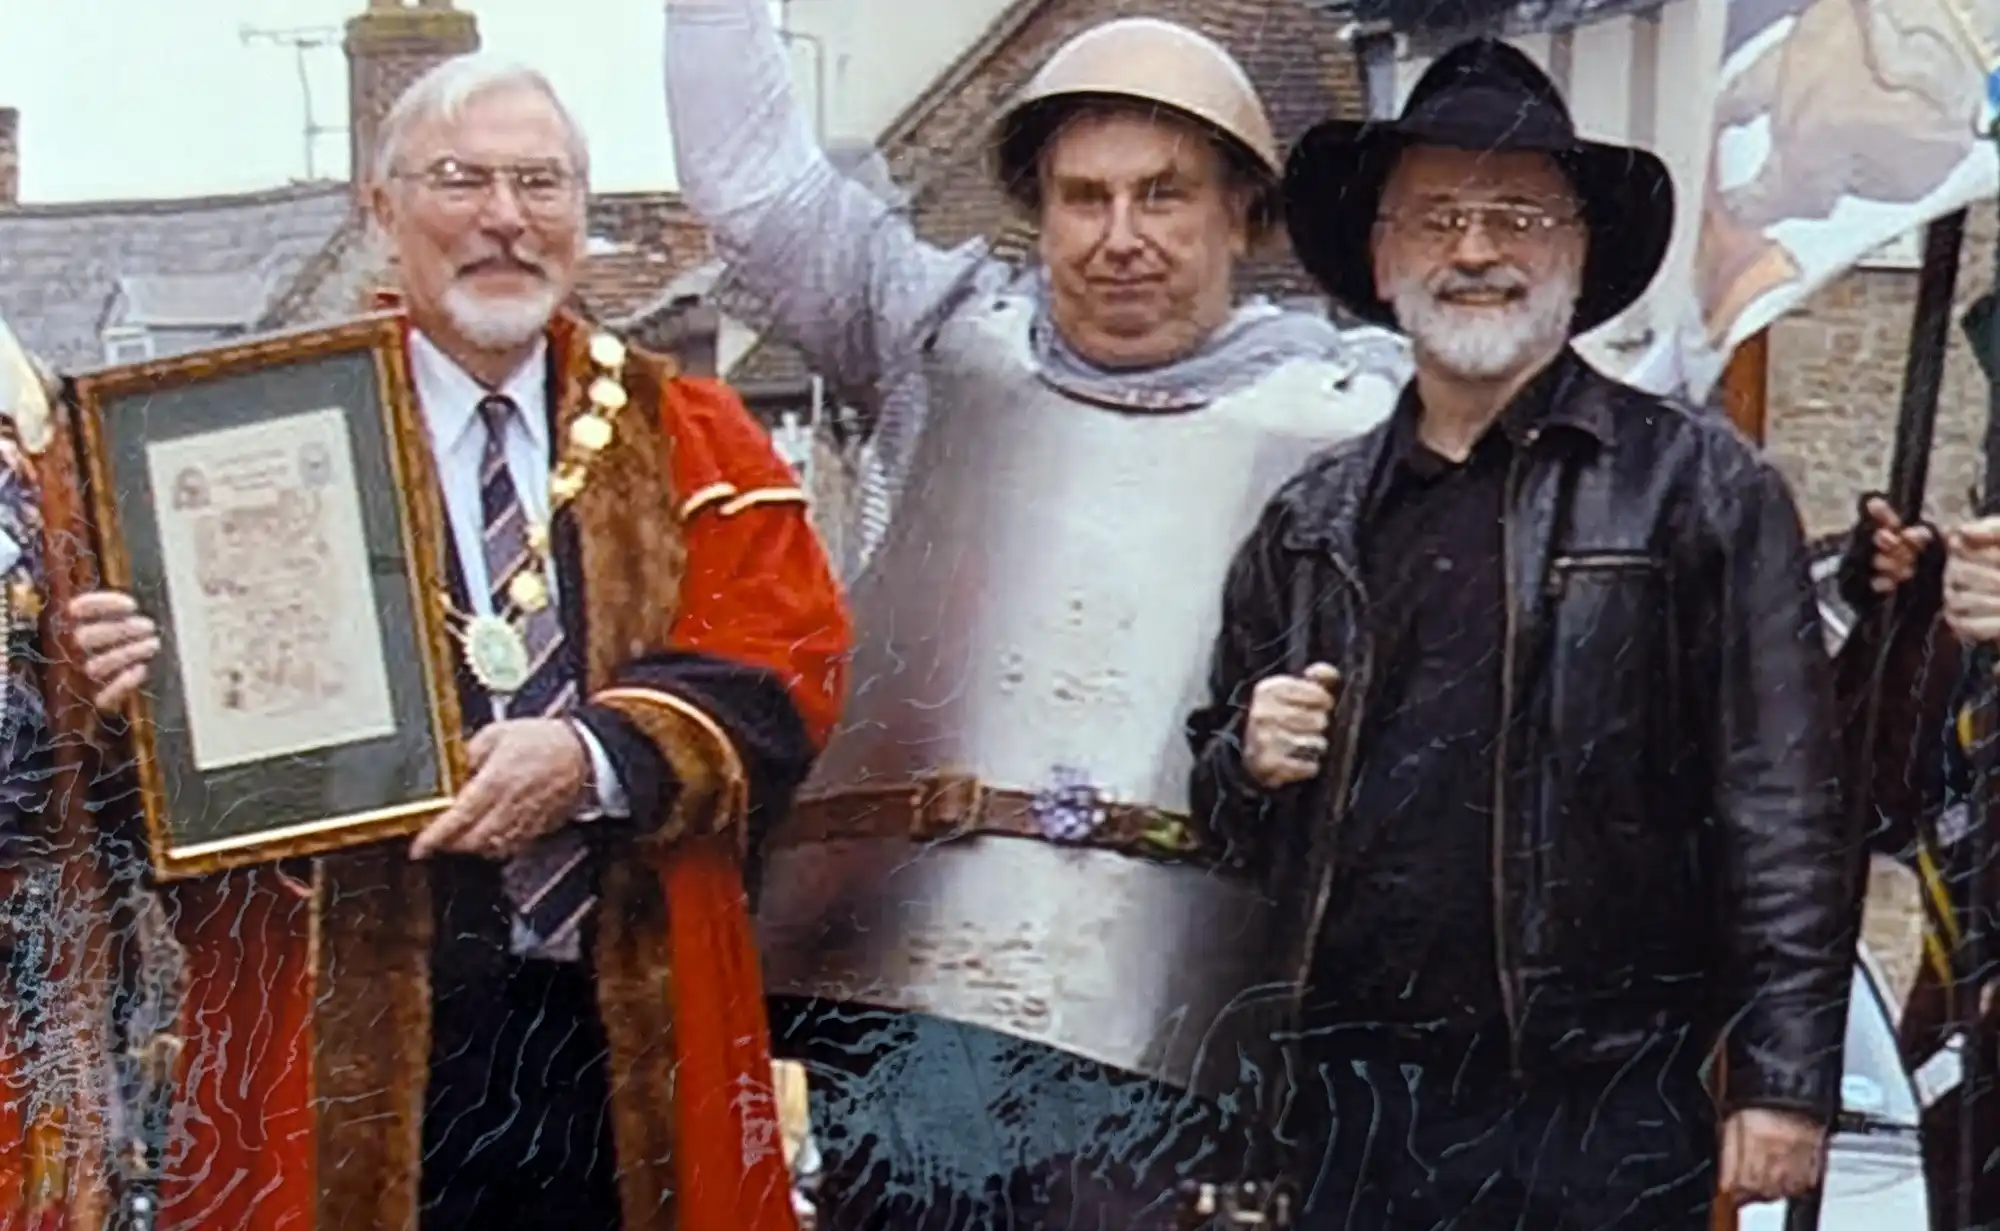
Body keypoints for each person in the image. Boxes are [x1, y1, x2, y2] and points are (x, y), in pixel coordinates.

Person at [63, 55, 852, 1231]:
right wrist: (121, 701)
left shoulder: (687, 430)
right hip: (344, 1037)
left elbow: (787, 662)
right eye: (460, 180)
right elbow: (163, 812)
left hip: (619, 1029)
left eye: (540, 183)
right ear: (380, 213)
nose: (504, 219)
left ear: (583, 213)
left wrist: (590, 757)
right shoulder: (250, 438)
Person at [664, 0, 1406, 1225]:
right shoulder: (939, 337)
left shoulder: (1352, 415)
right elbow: (745, 184)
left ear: (1241, 213)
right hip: (906, 1007)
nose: (1120, 237)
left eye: (1162, 195)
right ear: (1038, 209)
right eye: (1083, 197)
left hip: (1166, 1026)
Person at [1187, 39, 1854, 1229]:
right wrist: (1244, 753)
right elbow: (1220, 819)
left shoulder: (1697, 489)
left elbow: (1785, 805)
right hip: (1354, 1110)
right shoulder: (1307, 521)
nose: (1477, 249)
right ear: (1381, 256)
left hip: (1603, 1102)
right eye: (1436, 216)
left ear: (1579, 249)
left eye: (1517, 216)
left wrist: (1782, 1081)